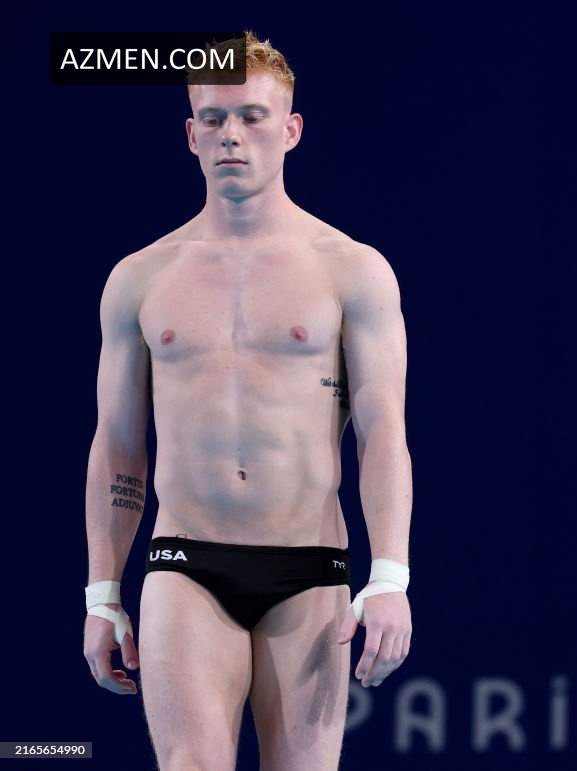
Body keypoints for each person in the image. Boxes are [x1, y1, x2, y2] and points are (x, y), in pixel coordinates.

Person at [81, 31, 413, 770]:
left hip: (310, 569)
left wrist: (391, 575)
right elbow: (118, 444)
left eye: (252, 117)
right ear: (191, 134)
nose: (231, 134)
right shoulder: (139, 279)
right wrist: (102, 592)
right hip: (185, 565)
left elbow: (384, 433)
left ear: (290, 130)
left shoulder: (353, 271)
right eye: (214, 118)